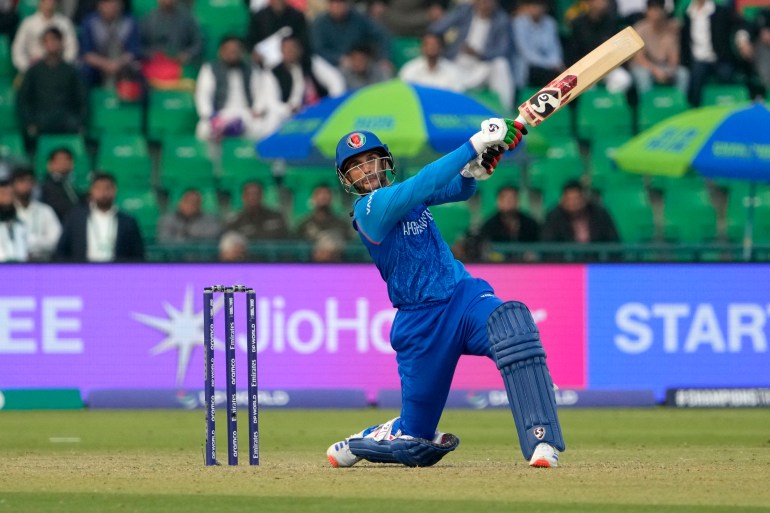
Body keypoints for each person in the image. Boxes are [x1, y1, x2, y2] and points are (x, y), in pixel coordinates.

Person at [325, 120, 566, 469]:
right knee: (417, 443)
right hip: (420, 324)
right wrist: (474, 144)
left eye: (371, 160)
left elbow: (454, 189)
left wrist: (472, 172)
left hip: (461, 298)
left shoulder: (407, 196)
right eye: (356, 167)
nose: (366, 171)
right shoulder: (368, 211)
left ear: (385, 162)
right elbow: (424, 183)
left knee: (513, 326)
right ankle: (374, 438)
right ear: (347, 178)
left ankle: (542, 442)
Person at [428, 0, 516, 111]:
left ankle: (506, 110)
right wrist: (445, 46)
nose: (484, 4)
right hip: (455, 63)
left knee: (501, 64)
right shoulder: (464, 11)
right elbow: (437, 28)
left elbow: (503, 51)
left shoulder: (502, 20)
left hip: (481, 66)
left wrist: (478, 54)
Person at [16, 27, 88, 153]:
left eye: (55, 40)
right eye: (48, 40)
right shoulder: (33, 71)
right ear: (43, 44)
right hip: (41, 121)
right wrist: (30, 122)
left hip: (67, 121)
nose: (52, 44)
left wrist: (79, 121)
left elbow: (82, 99)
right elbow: (23, 100)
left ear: (61, 43)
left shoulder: (72, 71)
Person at [194, 36, 278, 142]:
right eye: (229, 50)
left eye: (236, 50)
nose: (233, 53)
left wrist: (257, 109)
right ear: (221, 52)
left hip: (246, 113)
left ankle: (250, 157)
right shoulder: (209, 68)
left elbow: (260, 92)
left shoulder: (251, 68)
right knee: (203, 129)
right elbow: (203, 94)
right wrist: (209, 114)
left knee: (266, 127)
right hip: (221, 113)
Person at [56, 172, 145, 261]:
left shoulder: (128, 222)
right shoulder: (76, 218)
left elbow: (138, 255)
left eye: (107, 188)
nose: (103, 192)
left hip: (117, 273)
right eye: (98, 188)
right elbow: (62, 251)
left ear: (115, 190)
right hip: (83, 272)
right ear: (91, 191)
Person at [261, 35, 345, 123]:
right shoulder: (273, 72)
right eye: (286, 48)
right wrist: (288, 109)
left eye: (293, 47)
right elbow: (272, 103)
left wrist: (332, 104)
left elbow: (335, 80)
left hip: (318, 110)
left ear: (300, 49)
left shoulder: (311, 63)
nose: (290, 51)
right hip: (288, 116)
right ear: (281, 51)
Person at [680, 0, 738, 107]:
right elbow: (684, 41)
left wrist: (742, 36)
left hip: (719, 58)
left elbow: (739, 24)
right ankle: (695, 110)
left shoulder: (720, 11)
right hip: (698, 59)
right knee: (695, 77)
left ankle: (729, 107)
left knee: (728, 74)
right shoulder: (687, 14)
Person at [79, 0, 141, 89]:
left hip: (122, 63)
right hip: (98, 64)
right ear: (99, 5)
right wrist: (106, 64)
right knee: (84, 71)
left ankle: (129, 101)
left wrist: (116, 64)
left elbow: (133, 51)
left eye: (113, 3)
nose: (109, 7)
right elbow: (87, 53)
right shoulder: (89, 22)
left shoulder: (130, 22)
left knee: (136, 70)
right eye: (105, 3)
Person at [630, 0, 688, 95]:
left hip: (664, 66)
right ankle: (647, 106)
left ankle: (678, 103)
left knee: (683, 74)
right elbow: (639, 59)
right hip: (646, 67)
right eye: (653, 10)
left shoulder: (670, 29)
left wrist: (670, 70)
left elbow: (674, 57)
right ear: (647, 11)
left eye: (658, 9)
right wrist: (655, 70)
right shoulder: (640, 29)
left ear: (664, 11)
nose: (656, 13)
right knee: (643, 75)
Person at [541, 180, 620, 243]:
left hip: (597, 261)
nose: (573, 204)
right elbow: (548, 244)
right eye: (569, 200)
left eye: (577, 199)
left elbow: (613, 241)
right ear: (562, 200)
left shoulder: (600, 214)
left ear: (585, 199)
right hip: (565, 262)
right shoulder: (553, 217)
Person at [11, 0, 78, 74]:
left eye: (52, 1)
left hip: (58, 69)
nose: (49, 4)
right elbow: (18, 48)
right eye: (46, 1)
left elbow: (72, 48)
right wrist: (26, 68)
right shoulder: (28, 23)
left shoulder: (64, 23)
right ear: (40, 3)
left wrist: (63, 68)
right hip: (33, 69)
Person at [11, 165, 61, 261]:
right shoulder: (6, 212)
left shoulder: (45, 210)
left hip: (43, 264)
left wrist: (30, 242)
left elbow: (56, 240)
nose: (26, 185)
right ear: (13, 185)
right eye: (21, 181)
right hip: (13, 266)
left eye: (29, 181)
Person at [511, 0, 564, 89]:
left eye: (539, 5)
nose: (536, 8)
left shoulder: (550, 23)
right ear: (528, 7)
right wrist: (550, 64)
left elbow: (555, 49)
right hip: (528, 67)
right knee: (552, 75)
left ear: (545, 7)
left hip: (550, 67)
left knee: (565, 75)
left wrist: (556, 62)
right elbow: (526, 53)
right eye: (533, 5)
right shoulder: (519, 23)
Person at [397, 32, 465, 92]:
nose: (431, 47)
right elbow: (405, 92)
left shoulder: (452, 71)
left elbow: (458, 95)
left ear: (441, 48)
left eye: (434, 44)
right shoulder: (409, 69)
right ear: (422, 48)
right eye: (428, 44)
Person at [224, 181, 290, 240]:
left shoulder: (276, 217)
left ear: (262, 196)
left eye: (256, 194)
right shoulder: (235, 222)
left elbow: (290, 241)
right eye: (249, 194)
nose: (253, 197)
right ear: (243, 197)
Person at [156, 188, 221, 243]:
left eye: (195, 202)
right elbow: (164, 240)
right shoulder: (167, 219)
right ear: (180, 202)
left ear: (200, 205)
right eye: (188, 201)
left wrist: (184, 235)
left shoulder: (210, 219)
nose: (191, 205)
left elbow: (213, 235)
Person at [39, 147, 80, 223]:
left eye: (68, 159)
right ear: (50, 164)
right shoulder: (47, 186)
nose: (64, 163)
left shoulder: (73, 184)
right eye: (59, 160)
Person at [736, 8, 770, 98]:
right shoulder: (764, 14)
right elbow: (746, 27)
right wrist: (743, 42)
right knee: (760, 47)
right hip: (763, 52)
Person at [0, 171, 28, 262]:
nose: (7, 198)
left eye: (10, 194)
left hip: (20, 267)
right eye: (3, 194)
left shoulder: (21, 220)